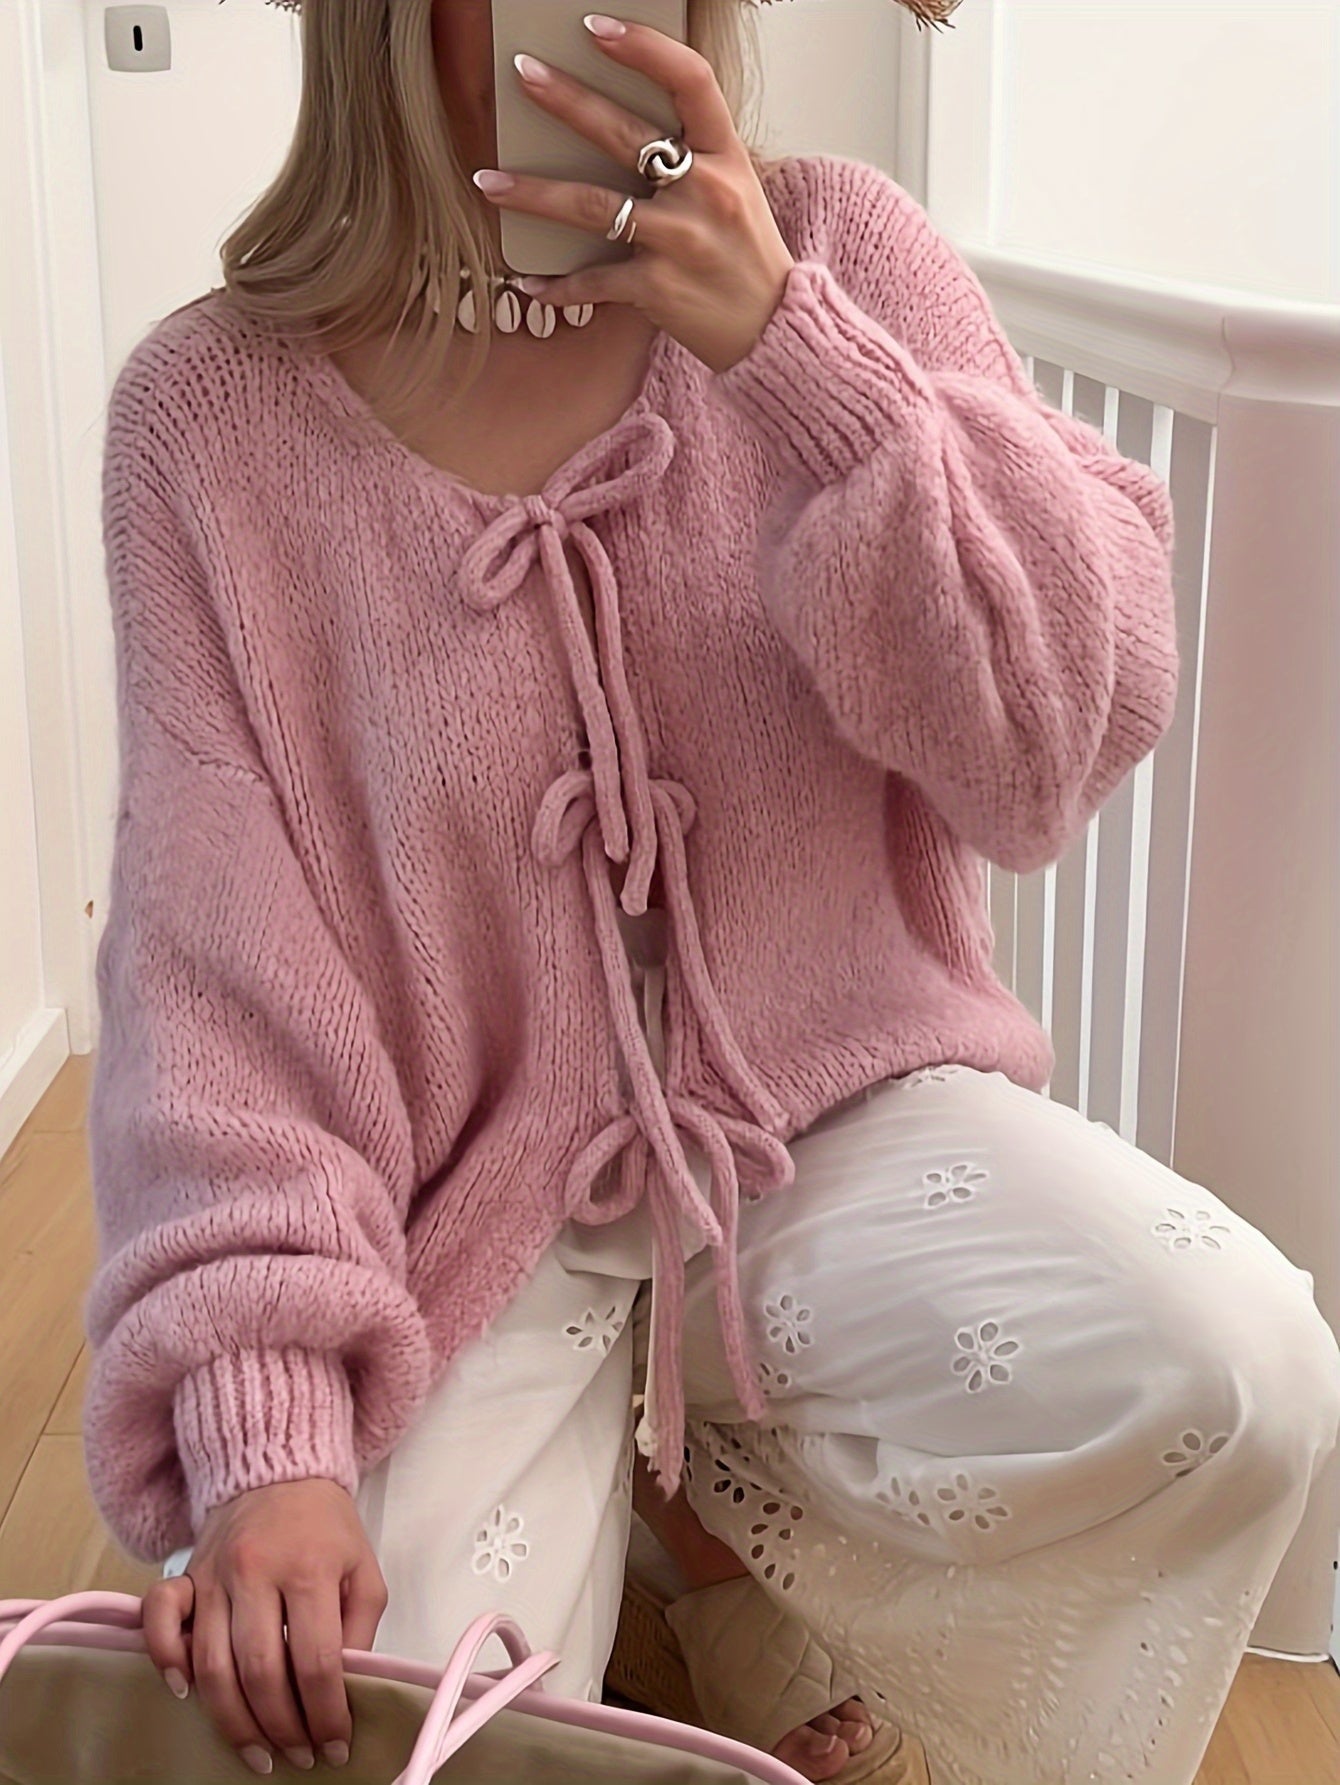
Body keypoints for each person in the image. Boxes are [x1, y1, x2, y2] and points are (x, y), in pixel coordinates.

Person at [83, 1, 1340, 1782]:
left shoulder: (842, 254)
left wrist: (796, 354)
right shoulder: (211, 416)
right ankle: (666, 1547)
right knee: (370, 1727)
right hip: (460, 1218)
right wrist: (266, 1433)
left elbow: (1052, 742)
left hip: (821, 1134)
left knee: (1241, 1371)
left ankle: (732, 1554)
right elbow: (214, 983)